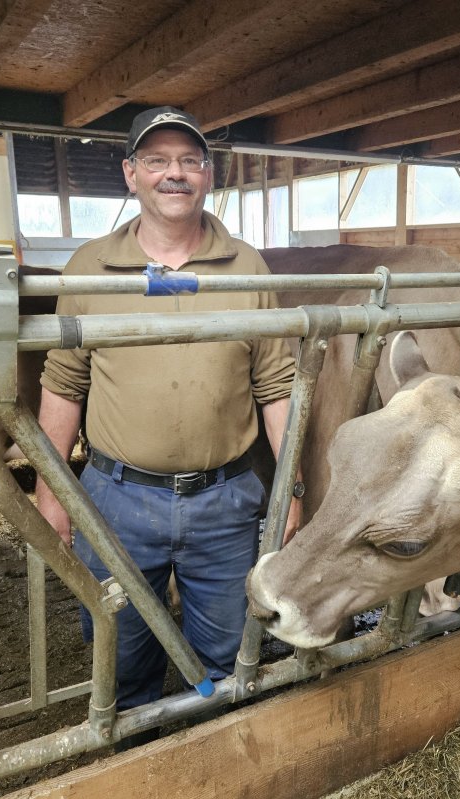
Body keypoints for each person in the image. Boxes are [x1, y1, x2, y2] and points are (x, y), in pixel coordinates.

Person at [36, 106, 302, 715]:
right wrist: (51, 490)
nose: (173, 174)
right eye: (156, 161)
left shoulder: (247, 266)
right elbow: (64, 382)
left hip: (228, 500)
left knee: (236, 655)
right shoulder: (88, 267)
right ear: (131, 175)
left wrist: (291, 488)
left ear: (209, 176)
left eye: (188, 161)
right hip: (116, 498)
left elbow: (277, 385)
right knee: (122, 653)